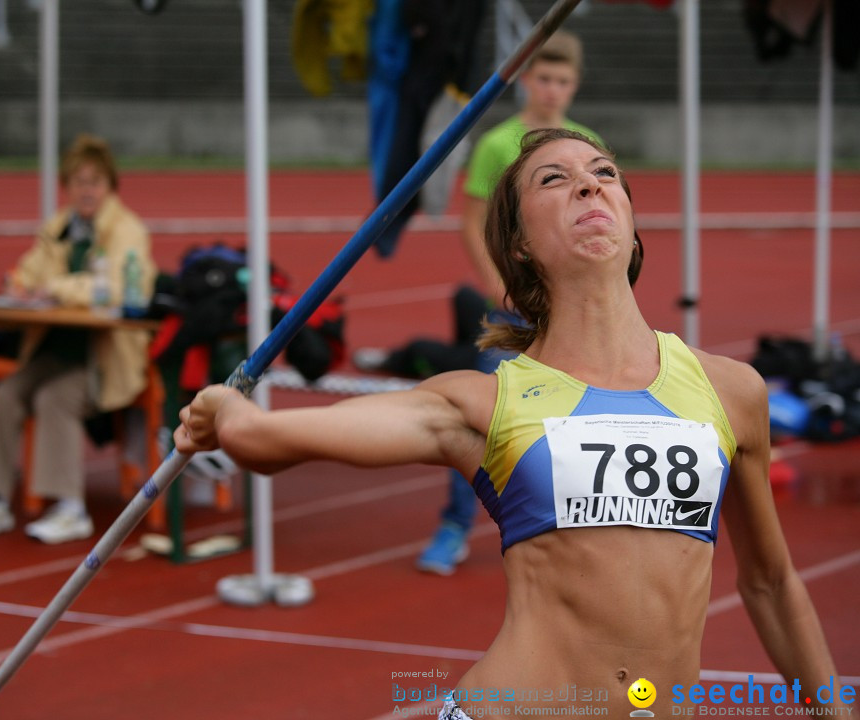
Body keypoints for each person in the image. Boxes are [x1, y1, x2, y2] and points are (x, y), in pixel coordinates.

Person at [175, 128, 846, 718]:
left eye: (604, 173)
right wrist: (226, 412)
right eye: (556, 180)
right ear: (519, 246)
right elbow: (267, 442)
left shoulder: (730, 391)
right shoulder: (482, 405)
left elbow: (771, 582)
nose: (589, 185)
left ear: (631, 221)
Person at [357, 30, 604, 575]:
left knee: (586, 419)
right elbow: (474, 225)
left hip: (574, 313)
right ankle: (453, 524)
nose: (552, 90)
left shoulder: (588, 145)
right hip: (515, 309)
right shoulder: (498, 145)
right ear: (526, 81)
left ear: (574, 85)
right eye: (543, 78)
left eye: (562, 81)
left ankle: (578, 529)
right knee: (483, 417)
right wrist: (505, 287)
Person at [0, 134, 156, 544]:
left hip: (103, 357)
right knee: (8, 392)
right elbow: (30, 272)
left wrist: (55, 288)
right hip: (53, 349)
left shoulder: (128, 230)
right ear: (67, 187)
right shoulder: (57, 227)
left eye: (95, 181)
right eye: (78, 182)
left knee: (55, 398)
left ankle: (70, 508)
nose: (86, 190)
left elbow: (116, 287)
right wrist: (16, 286)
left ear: (110, 186)